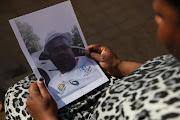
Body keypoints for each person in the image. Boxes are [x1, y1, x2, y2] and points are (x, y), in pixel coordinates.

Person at [4, 0, 180, 119]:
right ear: (49, 56)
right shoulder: (53, 79)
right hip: (115, 85)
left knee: (14, 98)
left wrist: (45, 117)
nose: (154, 19)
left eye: (161, 15)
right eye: (55, 50)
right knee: (19, 91)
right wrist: (119, 66)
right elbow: (155, 70)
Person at [31, 32, 102, 101]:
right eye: (55, 50)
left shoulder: (91, 61)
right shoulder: (53, 86)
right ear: (50, 57)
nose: (61, 52)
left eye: (64, 47)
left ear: (70, 49)